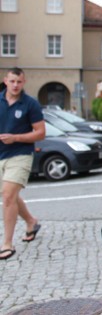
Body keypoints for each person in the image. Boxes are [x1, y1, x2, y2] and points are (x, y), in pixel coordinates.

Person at [0, 67, 45, 260]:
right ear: (5, 81)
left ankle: (7, 244)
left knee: (8, 196)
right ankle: (31, 221)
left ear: (23, 82)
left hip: (20, 154)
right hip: (1, 155)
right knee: (8, 194)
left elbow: (41, 133)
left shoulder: (30, 104)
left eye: (19, 82)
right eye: (12, 81)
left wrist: (16, 138)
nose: (16, 85)